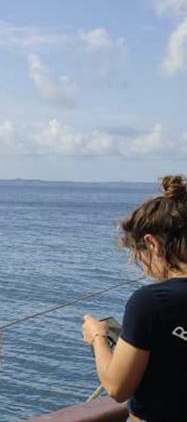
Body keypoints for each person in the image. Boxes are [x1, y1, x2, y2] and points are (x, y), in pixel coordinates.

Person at [82, 175, 187, 422]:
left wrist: (97, 337)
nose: (145, 269)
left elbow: (118, 388)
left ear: (152, 243)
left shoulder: (152, 302)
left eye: (138, 257)